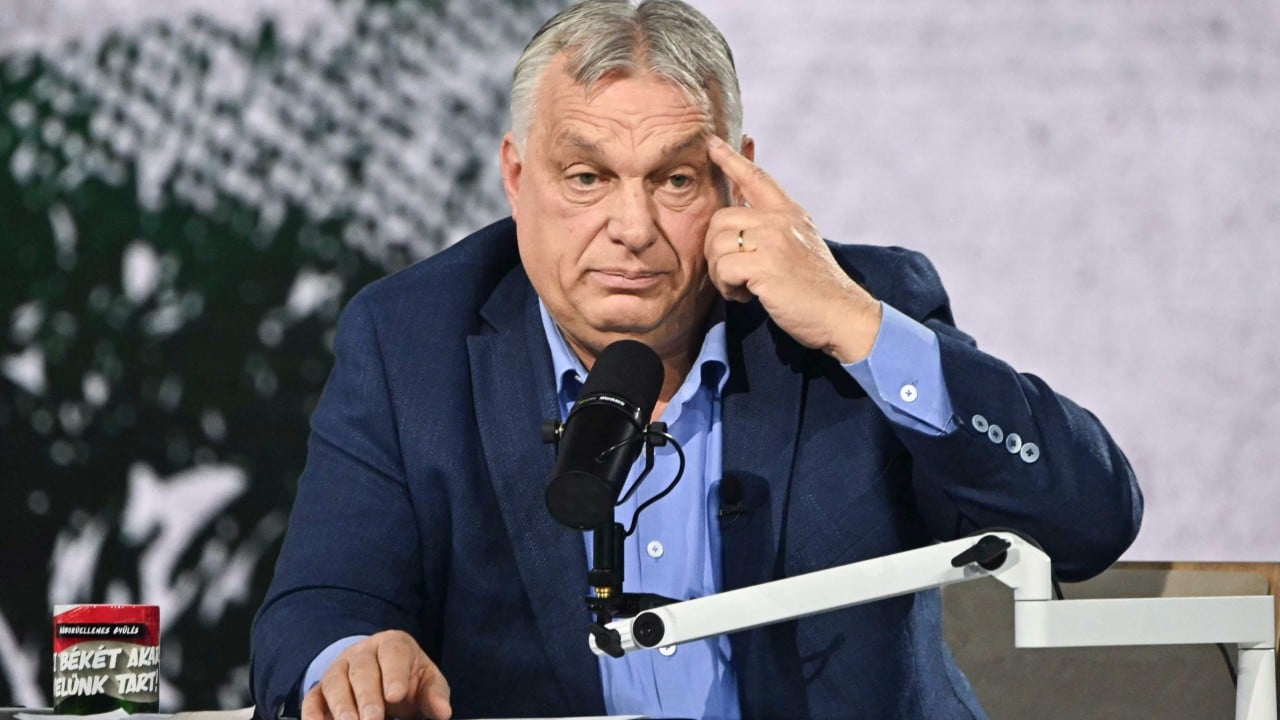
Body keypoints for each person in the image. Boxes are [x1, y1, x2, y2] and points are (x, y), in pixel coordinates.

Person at [249, 1, 1142, 718]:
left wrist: (857, 326)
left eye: (675, 179)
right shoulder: (412, 343)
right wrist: (353, 663)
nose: (632, 228)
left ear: (736, 178)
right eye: (587, 177)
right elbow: (317, 608)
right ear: (516, 177)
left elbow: (1090, 521)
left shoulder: (855, 313)